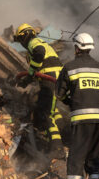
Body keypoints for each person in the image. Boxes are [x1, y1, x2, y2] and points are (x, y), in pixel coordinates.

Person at [56, 32, 99, 179]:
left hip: (81, 118)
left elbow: (59, 94)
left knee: (76, 158)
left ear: (76, 48)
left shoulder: (69, 68)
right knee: (94, 156)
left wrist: (71, 101)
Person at [14, 23, 66, 152]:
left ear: (24, 36)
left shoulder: (34, 42)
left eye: (20, 40)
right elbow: (35, 70)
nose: (21, 43)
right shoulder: (39, 43)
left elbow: (39, 54)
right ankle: (64, 132)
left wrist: (31, 71)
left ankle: (56, 147)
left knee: (46, 112)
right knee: (52, 109)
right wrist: (25, 81)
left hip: (51, 77)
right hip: (56, 77)